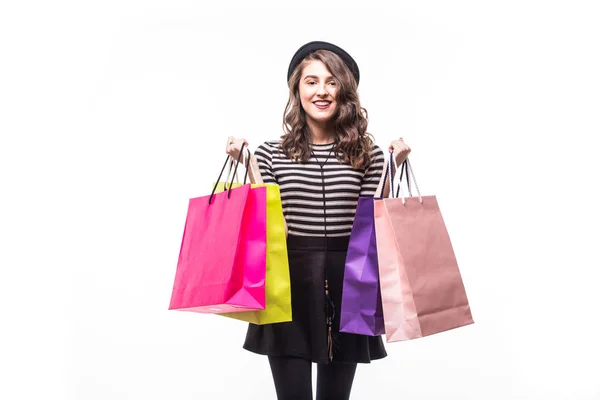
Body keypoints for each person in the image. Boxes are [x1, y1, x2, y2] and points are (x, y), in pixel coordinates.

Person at [225, 41, 411, 400]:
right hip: (288, 282)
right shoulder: (270, 152)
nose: (321, 91)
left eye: (331, 82)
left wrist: (393, 166)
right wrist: (245, 162)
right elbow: (267, 221)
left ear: (345, 90)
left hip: (349, 282)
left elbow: (373, 217)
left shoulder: (366, 153)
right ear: (297, 89)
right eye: (311, 82)